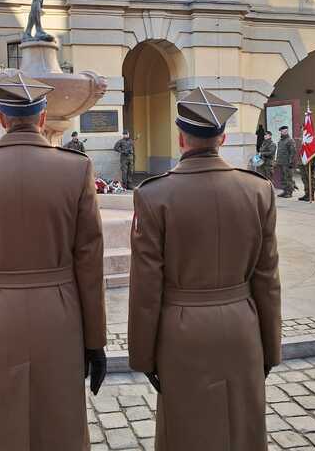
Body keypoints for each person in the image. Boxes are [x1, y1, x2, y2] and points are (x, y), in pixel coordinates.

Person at [0, 73, 107, 450]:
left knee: (6, 423)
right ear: (43, 117)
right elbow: (89, 262)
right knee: (61, 420)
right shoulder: (76, 168)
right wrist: (95, 341)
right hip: (61, 314)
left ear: (1, 118)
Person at [128, 88, 281, 451]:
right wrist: (270, 348)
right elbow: (267, 279)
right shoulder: (258, 190)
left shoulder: (153, 195)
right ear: (222, 139)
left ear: (181, 138)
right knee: (241, 428)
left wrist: (143, 356)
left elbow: (146, 288)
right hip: (242, 327)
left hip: (182, 333)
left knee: (187, 431)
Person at [275, 125, 296, 198]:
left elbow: (293, 152)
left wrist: (291, 162)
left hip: (287, 163)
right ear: (281, 132)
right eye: (283, 131)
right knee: (283, 178)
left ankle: (289, 192)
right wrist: (277, 161)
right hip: (281, 162)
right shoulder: (281, 141)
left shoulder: (290, 140)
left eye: (286, 131)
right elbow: (279, 152)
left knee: (288, 178)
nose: (284, 132)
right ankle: (285, 191)